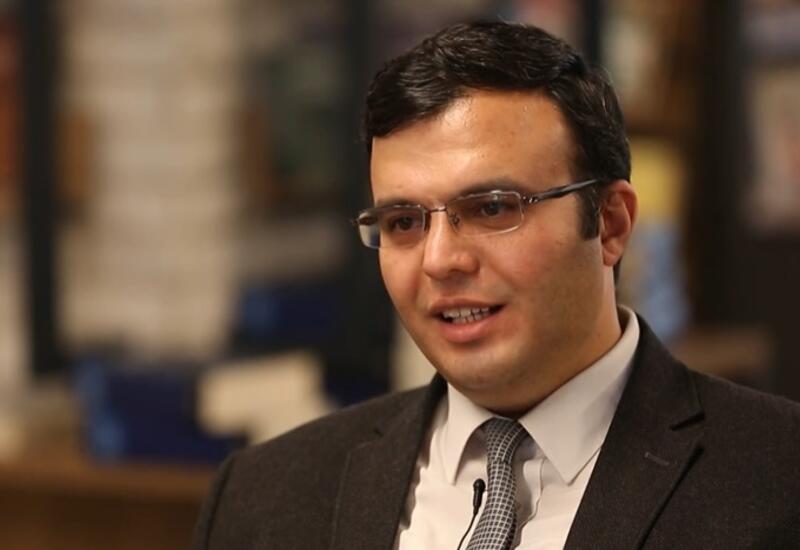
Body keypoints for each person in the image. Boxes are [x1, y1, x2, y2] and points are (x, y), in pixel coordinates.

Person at [194, 21, 800, 550]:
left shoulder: (777, 480)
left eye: (491, 208)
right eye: (403, 222)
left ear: (611, 224)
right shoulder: (264, 497)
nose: (440, 260)